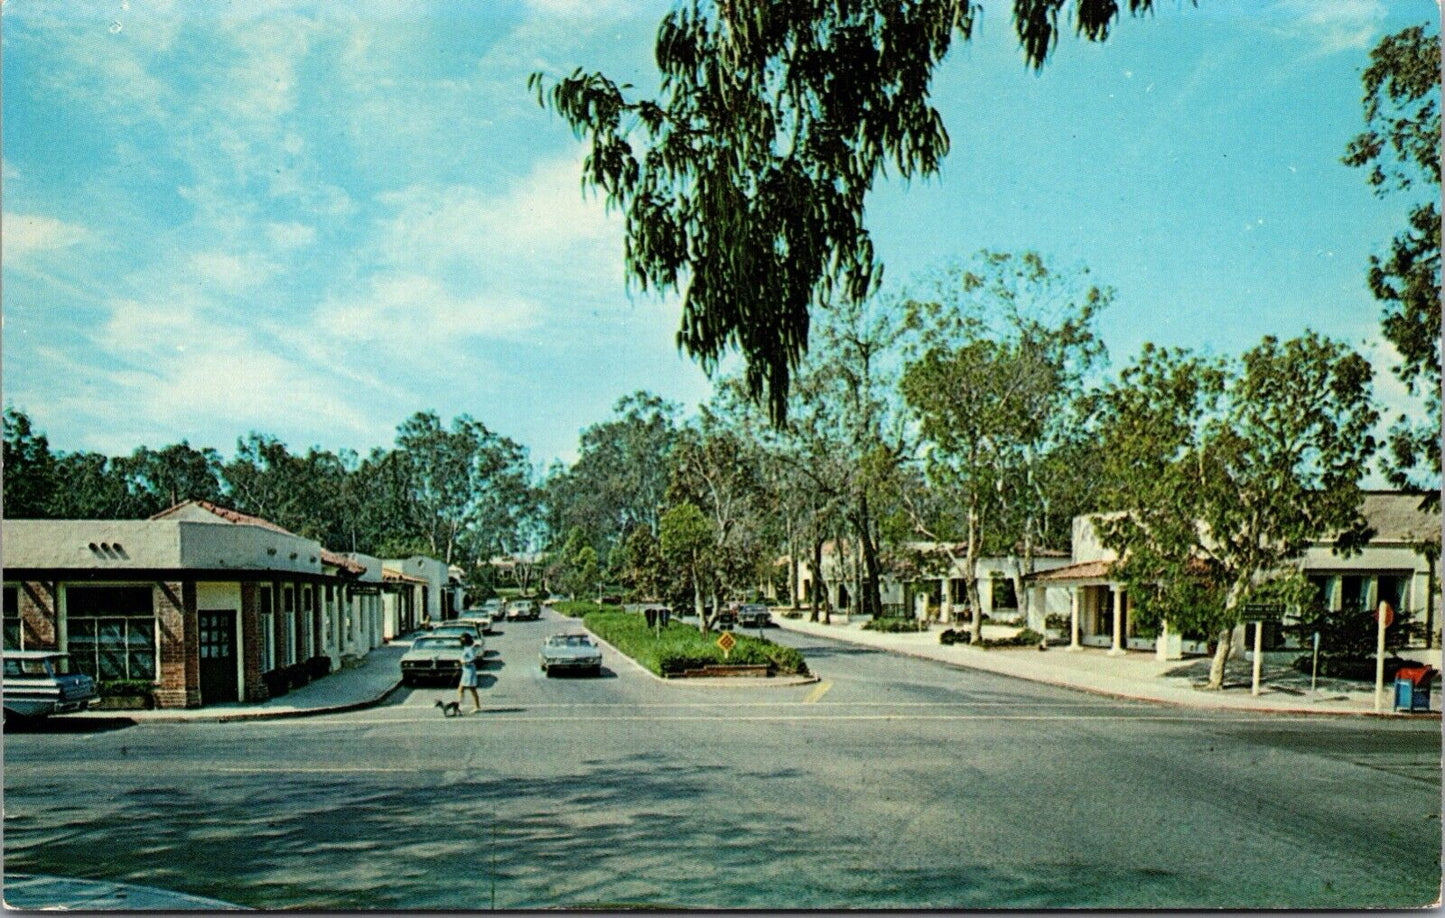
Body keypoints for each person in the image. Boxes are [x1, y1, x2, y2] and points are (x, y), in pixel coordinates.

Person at [457, 632, 482, 714]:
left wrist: (464, 662)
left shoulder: (470, 649)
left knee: (472, 689)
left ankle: (477, 706)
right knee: (461, 689)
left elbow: (473, 658)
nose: (462, 641)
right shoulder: (465, 648)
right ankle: (460, 705)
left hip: (470, 671)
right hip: (465, 671)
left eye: (463, 639)